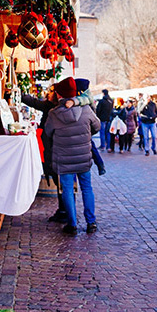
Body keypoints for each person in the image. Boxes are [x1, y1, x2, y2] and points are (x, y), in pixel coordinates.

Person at [45, 77, 101, 235]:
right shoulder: (86, 110)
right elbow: (96, 126)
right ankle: (91, 222)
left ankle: (72, 224)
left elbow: (48, 132)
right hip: (83, 157)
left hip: (63, 159)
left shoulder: (54, 114)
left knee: (68, 190)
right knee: (87, 188)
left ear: (59, 94)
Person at [22, 85, 67, 222]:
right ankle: (63, 210)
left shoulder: (53, 107)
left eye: (52, 91)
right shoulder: (55, 105)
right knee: (60, 180)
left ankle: (65, 212)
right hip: (56, 147)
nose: (49, 93)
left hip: (55, 148)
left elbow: (36, 103)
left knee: (61, 181)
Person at [68, 78, 106, 175]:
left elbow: (81, 101)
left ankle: (100, 164)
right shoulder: (88, 96)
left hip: (85, 126)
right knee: (90, 145)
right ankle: (100, 164)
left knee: (89, 146)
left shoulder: (85, 98)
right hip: (87, 127)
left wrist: (73, 101)